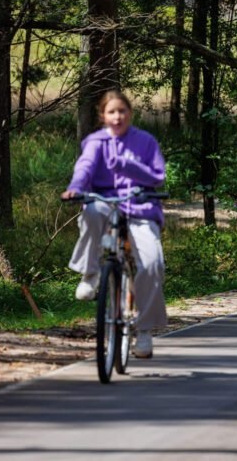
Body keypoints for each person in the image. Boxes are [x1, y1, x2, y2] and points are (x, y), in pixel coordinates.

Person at [62, 90, 167, 359]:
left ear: (130, 113)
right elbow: (84, 168)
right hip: (105, 202)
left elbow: (157, 176)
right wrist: (75, 188)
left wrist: (129, 166)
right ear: (103, 116)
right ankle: (91, 272)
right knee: (92, 211)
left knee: (153, 265)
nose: (117, 116)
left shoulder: (145, 141)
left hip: (140, 207)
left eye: (122, 111)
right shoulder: (95, 142)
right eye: (111, 112)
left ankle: (143, 331)